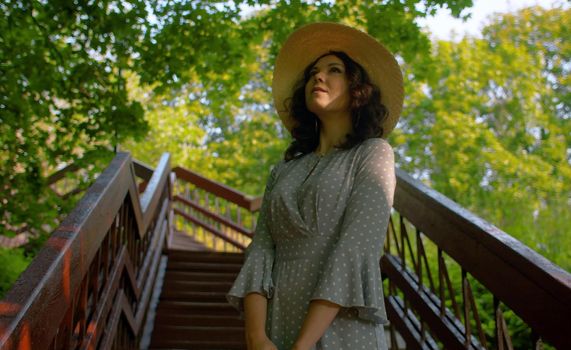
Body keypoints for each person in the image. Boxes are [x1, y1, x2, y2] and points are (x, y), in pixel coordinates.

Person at [226, 22, 403, 350]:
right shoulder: (283, 170)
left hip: (342, 329)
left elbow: (356, 248)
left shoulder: (373, 154)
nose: (318, 77)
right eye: (313, 73)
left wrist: (303, 345)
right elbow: (261, 249)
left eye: (334, 70)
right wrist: (256, 337)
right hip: (276, 324)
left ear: (358, 90)